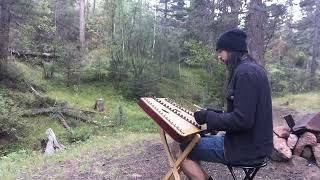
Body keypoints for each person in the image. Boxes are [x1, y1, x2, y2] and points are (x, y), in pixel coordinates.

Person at [178, 29, 273, 180]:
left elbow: (243, 120)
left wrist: (209, 117)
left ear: (231, 50)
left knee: (184, 151)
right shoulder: (253, 69)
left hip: (245, 148)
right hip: (252, 144)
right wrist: (215, 114)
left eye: (221, 51)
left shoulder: (245, 73)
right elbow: (244, 112)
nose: (219, 56)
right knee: (190, 142)